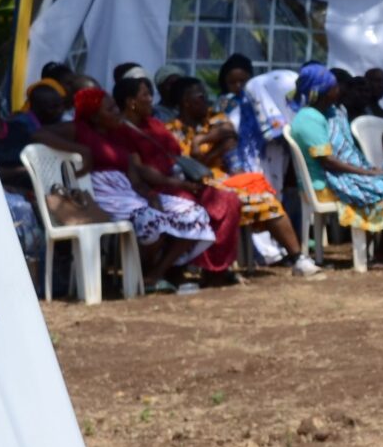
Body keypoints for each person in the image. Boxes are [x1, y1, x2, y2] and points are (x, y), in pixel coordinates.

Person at [69, 85, 221, 290]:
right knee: (151, 219)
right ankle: (136, 276)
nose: (117, 113)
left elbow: (135, 176)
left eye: (115, 107)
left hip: (128, 193)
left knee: (192, 213)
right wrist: (81, 151)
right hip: (102, 194)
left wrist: (149, 195)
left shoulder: (118, 136)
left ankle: (155, 274)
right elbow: (40, 135)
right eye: (110, 110)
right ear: (95, 117)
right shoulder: (80, 130)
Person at [165, 73, 315, 274]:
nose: (206, 99)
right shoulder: (171, 131)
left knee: (266, 200)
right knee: (227, 201)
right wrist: (212, 148)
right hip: (198, 187)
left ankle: (298, 258)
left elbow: (228, 132)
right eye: (200, 96)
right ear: (186, 102)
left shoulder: (213, 117)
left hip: (226, 181)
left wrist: (201, 141)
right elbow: (189, 168)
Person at [118, 73, 244, 286]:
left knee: (229, 200)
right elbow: (140, 170)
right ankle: (167, 270)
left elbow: (178, 155)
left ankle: (215, 269)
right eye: (145, 95)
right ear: (131, 103)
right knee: (194, 207)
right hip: (154, 187)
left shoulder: (156, 124)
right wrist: (178, 183)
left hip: (178, 181)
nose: (150, 99)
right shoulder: (122, 131)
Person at [288, 64, 383, 256]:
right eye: (334, 87)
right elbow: (328, 161)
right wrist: (367, 172)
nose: (338, 90)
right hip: (323, 184)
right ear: (322, 91)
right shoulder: (309, 119)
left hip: (337, 176)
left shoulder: (331, 113)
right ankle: (371, 250)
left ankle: (376, 249)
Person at [0, 83, 45, 267]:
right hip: (4, 189)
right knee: (21, 207)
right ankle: (30, 269)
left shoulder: (18, 130)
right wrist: (22, 171)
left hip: (33, 184)